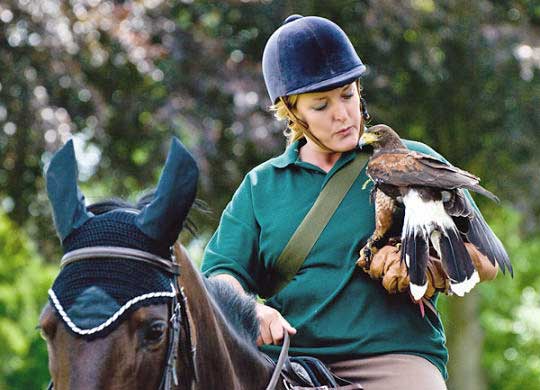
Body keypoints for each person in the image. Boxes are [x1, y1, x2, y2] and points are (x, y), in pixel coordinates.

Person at [201, 15, 497, 390]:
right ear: (291, 113)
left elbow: (486, 261)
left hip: (394, 360)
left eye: (348, 95)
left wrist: (437, 262)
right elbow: (219, 276)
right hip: (289, 362)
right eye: (321, 105)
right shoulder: (261, 186)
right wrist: (250, 310)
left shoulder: (415, 161)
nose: (342, 115)